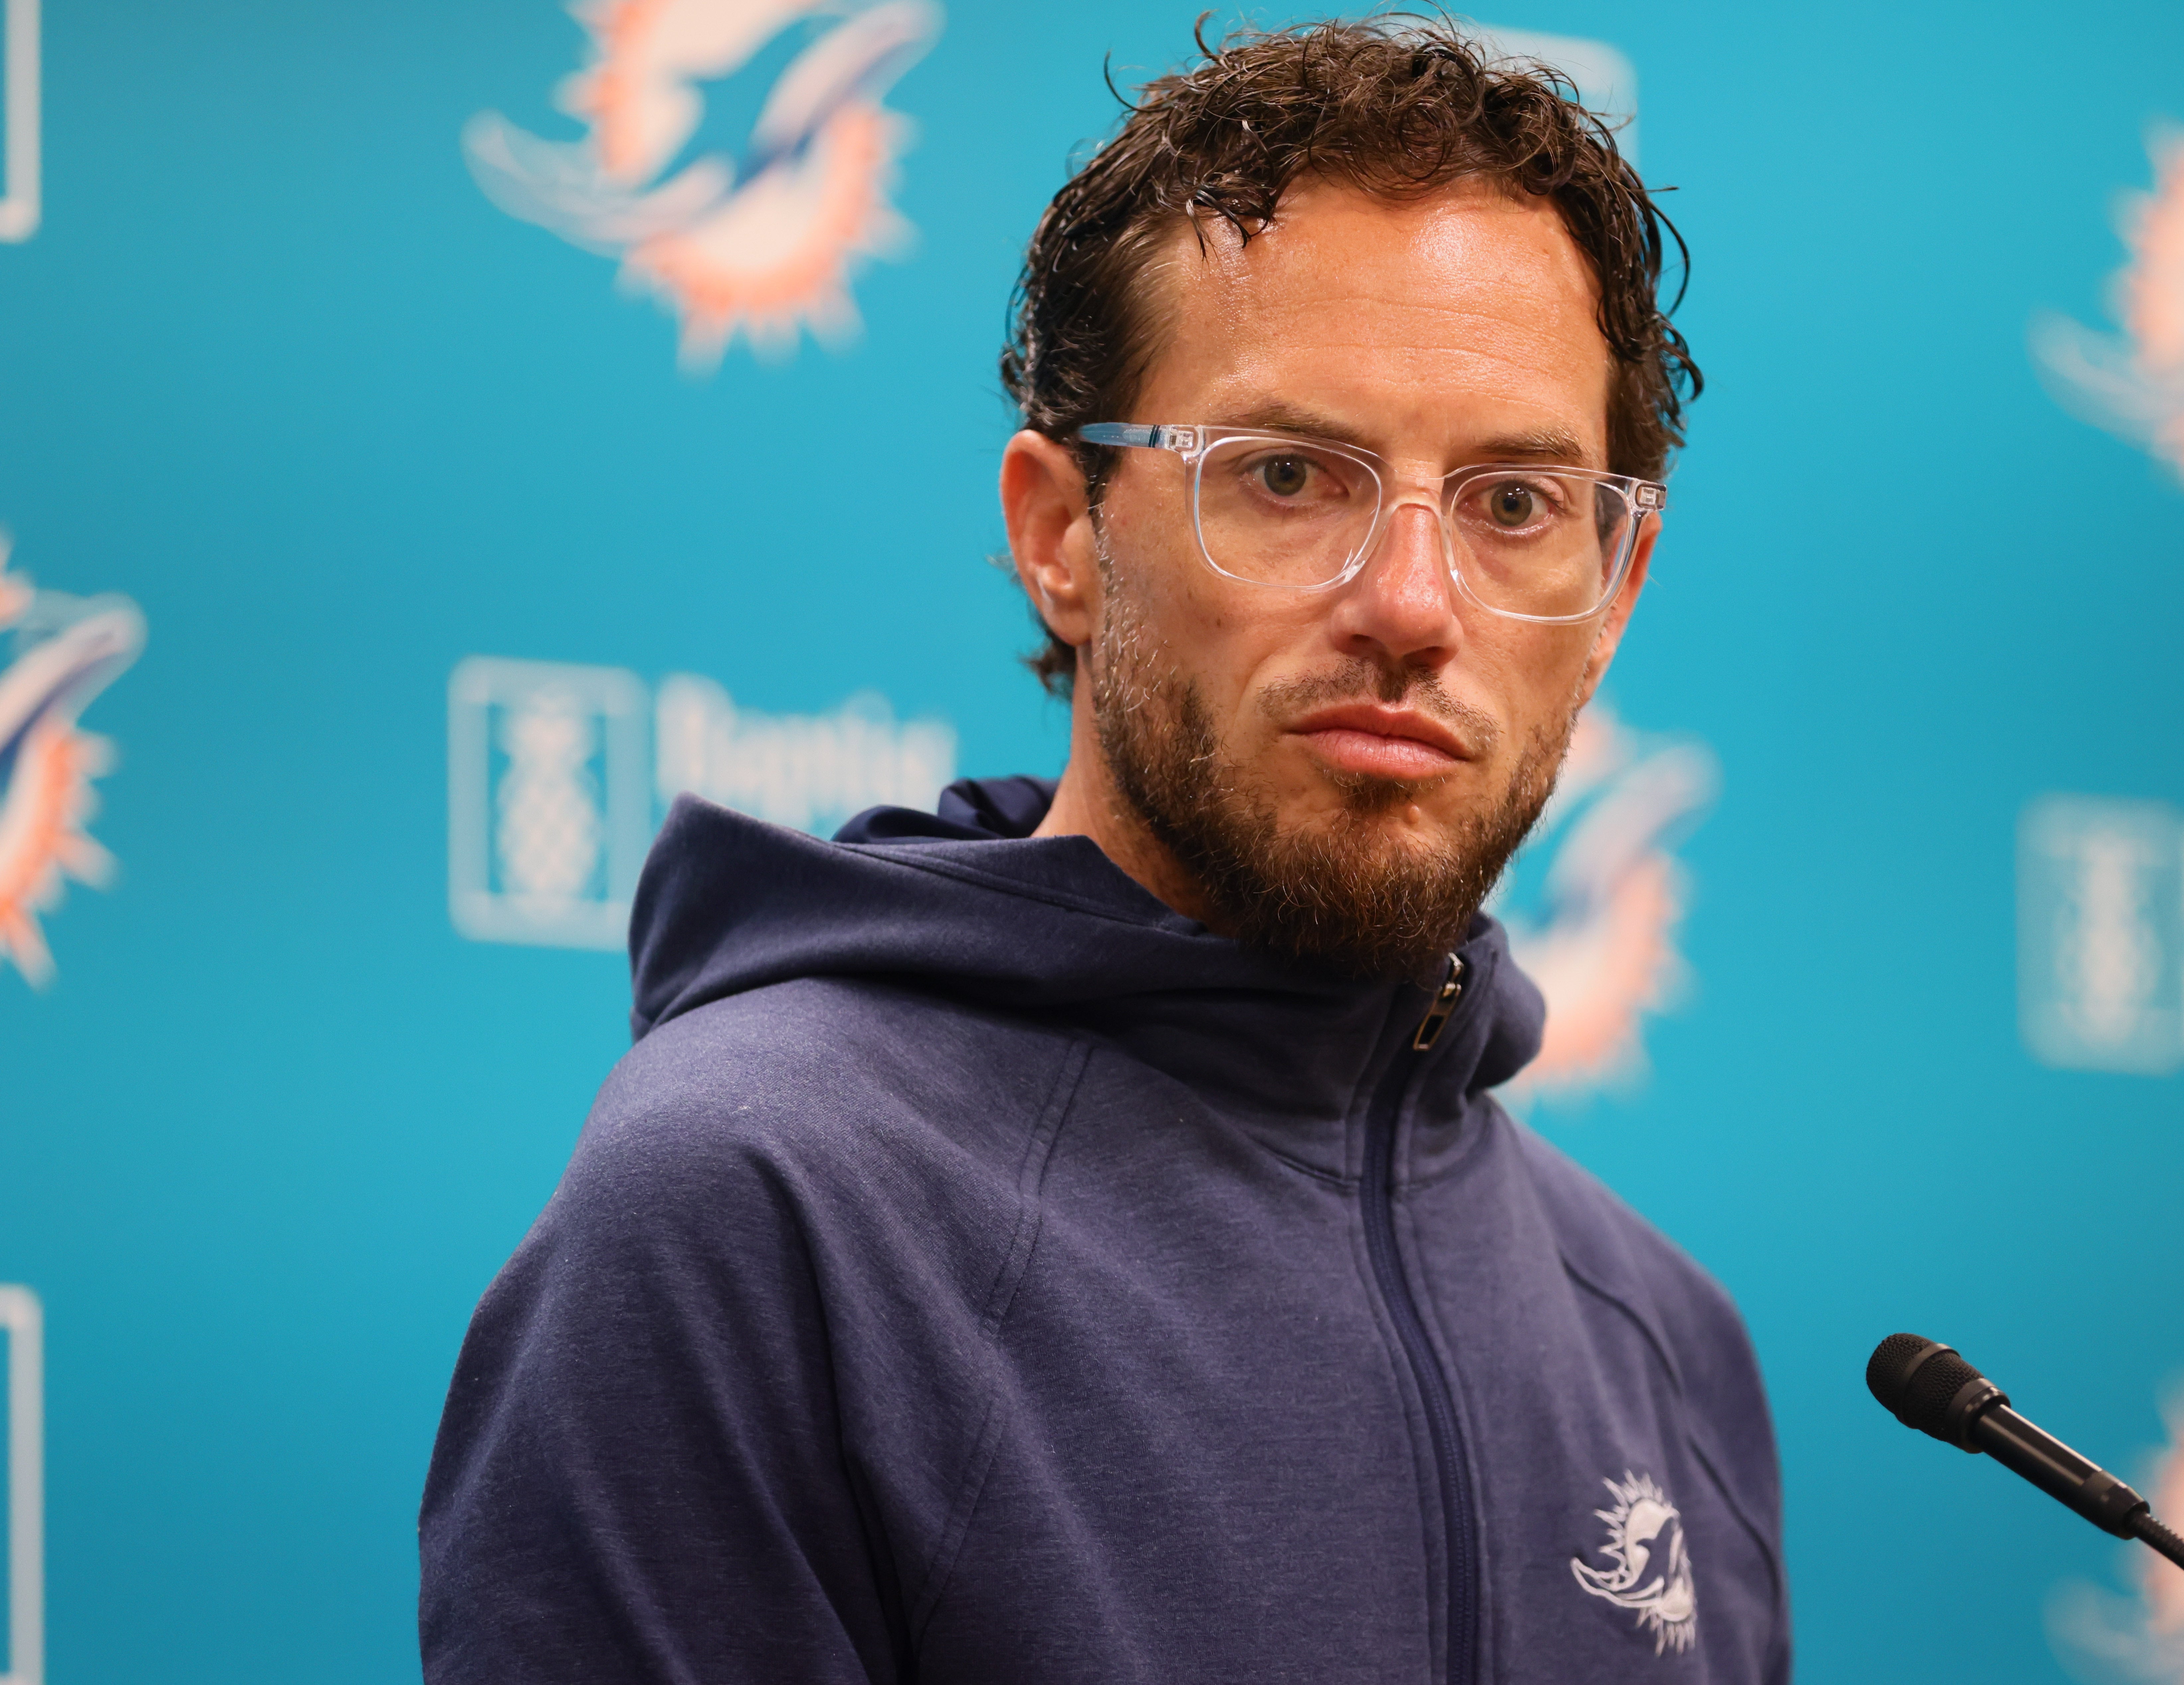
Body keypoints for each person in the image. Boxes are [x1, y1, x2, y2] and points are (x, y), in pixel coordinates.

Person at [420, 18, 1788, 1684]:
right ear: (1061, 534)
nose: (1411, 605)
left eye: (1513, 503)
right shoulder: (753, 1212)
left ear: (1614, 591)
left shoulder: (1662, 1341)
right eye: (1286, 474)